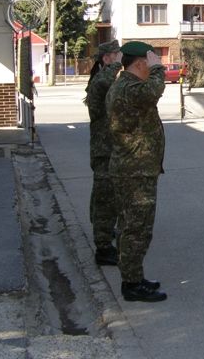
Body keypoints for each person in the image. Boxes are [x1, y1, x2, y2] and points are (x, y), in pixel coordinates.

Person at [106, 41, 167, 302]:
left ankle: (134, 277)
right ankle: (131, 284)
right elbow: (153, 91)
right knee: (137, 228)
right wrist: (159, 69)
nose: (152, 68)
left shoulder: (125, 85)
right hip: (135, 170)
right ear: (141, 63)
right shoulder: (129, 87)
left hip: (133, 168)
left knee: (130, 225)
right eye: (150, 63)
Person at [84, 40, 123, 266]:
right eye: (116, 55)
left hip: (108, 149)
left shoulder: (103, 77)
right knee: (105, 201)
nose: (120, 58)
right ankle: (103, 248)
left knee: (103, 196)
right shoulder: (100, 79)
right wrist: (117, 65)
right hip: (104, 150)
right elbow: (105, 82)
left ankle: (105, 233)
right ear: (107, 58)